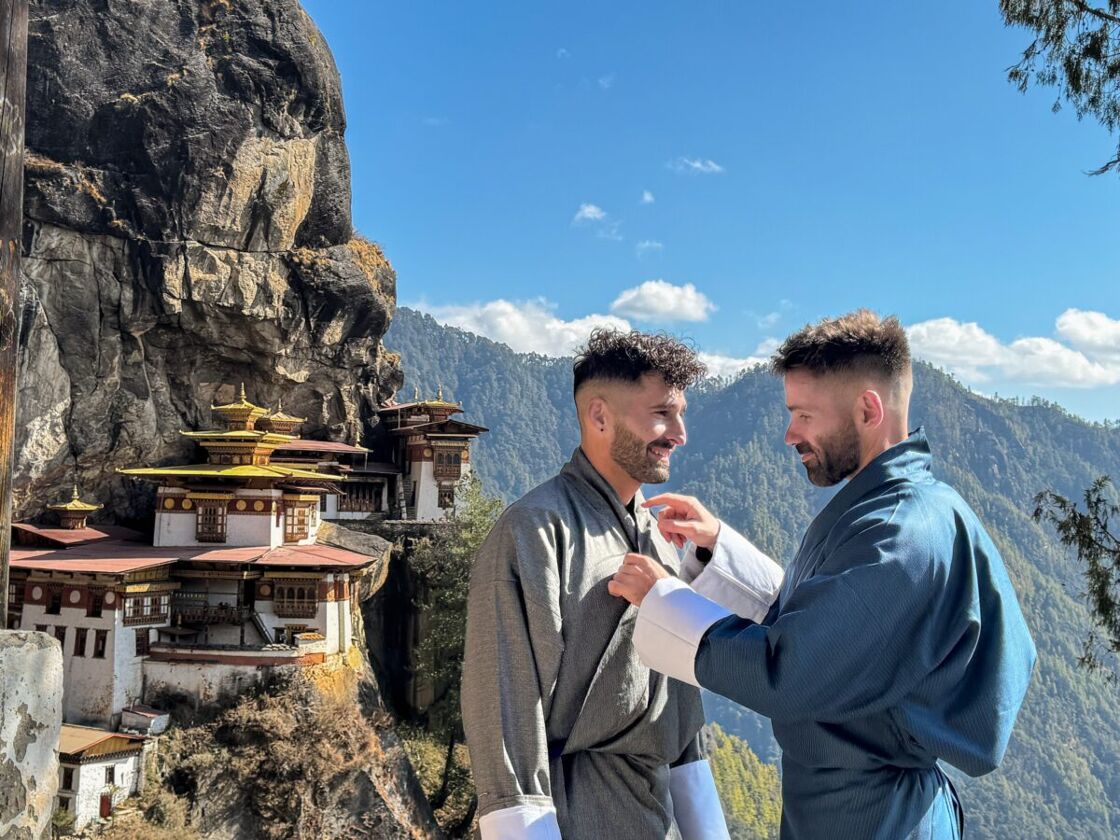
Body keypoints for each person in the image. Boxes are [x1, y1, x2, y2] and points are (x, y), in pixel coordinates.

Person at [610, 310, 1037, 840]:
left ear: (867, 409)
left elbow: (793, 671)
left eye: (804, 415)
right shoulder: (895, 508)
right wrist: (718, 547)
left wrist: (662, 598)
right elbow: (832, 626)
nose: (790, 434)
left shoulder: (899, 535)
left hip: (875, 819)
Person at [462, 330, 766, 840]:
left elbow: (682, 710)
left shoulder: (659, 535)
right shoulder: (535, 532)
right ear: (599, 416)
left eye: (681, 414)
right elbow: (508, 718)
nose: (680, 433)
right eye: (662, 414)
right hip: (575, 814)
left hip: (655, 813)